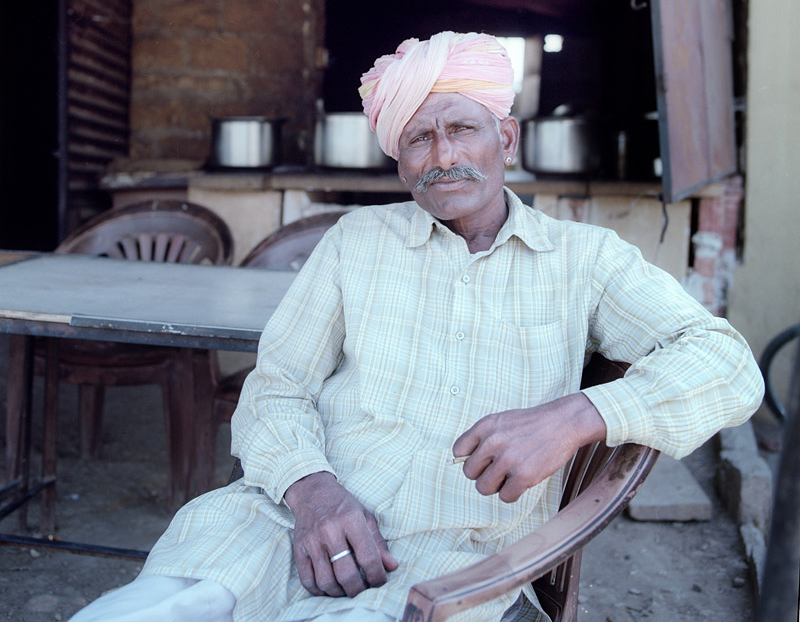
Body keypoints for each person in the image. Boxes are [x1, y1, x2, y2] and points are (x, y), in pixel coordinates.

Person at [70, 31, 764, 622]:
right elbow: (277, 385)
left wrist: (581, 415)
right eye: (417, 138)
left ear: (507, 138)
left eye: (462, 128)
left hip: (449, 559)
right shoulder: (355, 241)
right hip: (283, 520)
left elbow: (727, 365)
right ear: (398, 160)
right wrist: (311, 491)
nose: (441, 157)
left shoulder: (586, 260)